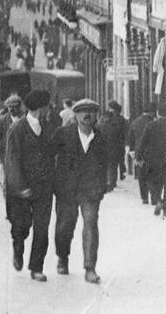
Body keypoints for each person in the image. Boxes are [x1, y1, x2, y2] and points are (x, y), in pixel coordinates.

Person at [52, 98, 109, 284]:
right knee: (64, 226)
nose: (86, 115)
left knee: (91, 224)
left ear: (96, 116)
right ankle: (62, 256)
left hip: (90, 191)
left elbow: (105, 163)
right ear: (75, 115)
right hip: (66, 190)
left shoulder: (101, 138)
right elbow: (48, 155)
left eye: (91, 112)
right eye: (82, 112)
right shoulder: (63, 134)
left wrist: (102, 186)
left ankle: (90, 267)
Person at [4, 89, 55, 281]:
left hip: (44, 187)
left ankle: (36, 267)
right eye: (47, 106)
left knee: (42, 228)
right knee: (22, 226)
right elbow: (12, 161)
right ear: (40, 109)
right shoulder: (17, 129)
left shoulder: (49, 127)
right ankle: (18, 248)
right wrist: (20, 186)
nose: (50, 109)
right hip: (22, 188)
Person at [135, 102, 166, 214]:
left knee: (153, 182)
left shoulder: (151, 125)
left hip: (153, 159)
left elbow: (143, 143)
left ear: (158, 113)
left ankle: (158, 200)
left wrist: (138, 157)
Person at [129, 102, 157, 204]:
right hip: (152, 152)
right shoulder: (153, 123)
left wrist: (133, 153)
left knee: (142, 176)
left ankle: (144, 197)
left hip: (139, 153)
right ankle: (154, 197)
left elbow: (130, 138)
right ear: (151, 112)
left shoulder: (135, 122)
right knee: (152, 175)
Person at [97, 100, 128, 189]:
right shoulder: (121, 120)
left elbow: (98, 129)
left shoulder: (103, 119)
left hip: (104, 144)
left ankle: (109, 180)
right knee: (113, 164)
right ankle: (112, 181)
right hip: (117, 145)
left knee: (107, 163)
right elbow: (124, 132)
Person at [0, 95, 24, 167]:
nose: (11, 109)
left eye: (14, 106)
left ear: (19, 106)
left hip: (21, 156)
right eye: (9, 107)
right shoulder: (2, 121)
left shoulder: (24, 120)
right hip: (5, 157)